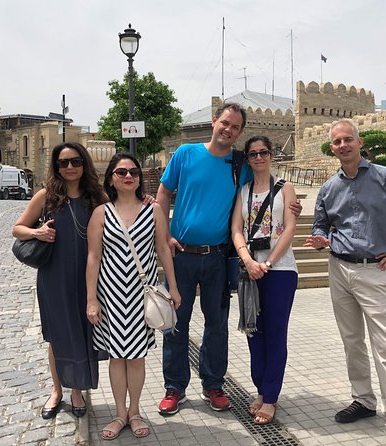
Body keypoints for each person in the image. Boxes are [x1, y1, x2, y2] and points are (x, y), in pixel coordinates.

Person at [155, 102, 302, 416]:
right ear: (214, 122)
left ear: (240, 132)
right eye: (225, 123)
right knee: (175, 324)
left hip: (219, 256)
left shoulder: (241, 163)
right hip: (182, 255)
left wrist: (293, 205)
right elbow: (163, 193)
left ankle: (213, 384)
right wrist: (165, 232)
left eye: (235, 127)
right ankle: (174, 387)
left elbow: (267, 186)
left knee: (217, 324)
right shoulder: (185, 154)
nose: (228, 130)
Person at [304, 119, 386, 446]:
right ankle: (363, 400)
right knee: (352, 341)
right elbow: (322, 224)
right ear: (332, 148)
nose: (343, 146)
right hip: (339, 269)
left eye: (348, 139)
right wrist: (321, 238)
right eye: (337, 142)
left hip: (375, 271)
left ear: (360, 142)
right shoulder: (328, 187)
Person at [86, 153, 181, 440]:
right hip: (111, 295)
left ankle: (136, 411)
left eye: (133, 172)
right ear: (111, 179)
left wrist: (173, 288)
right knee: (117, 357)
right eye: (121, 172)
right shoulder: (101, 213)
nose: (129, 176)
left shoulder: (153, 212)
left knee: (136, 357)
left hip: (142, 294)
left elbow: (164, 250)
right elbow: (93, 257)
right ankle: (119, 413)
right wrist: (91, 299)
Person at [12, 142, 105, 420]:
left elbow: (125, 206)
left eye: (75, 161)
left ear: (84, 164)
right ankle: (57, 391)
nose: (69, 167)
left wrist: (147, 201)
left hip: (90, 279)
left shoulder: (96, 197)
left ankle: (77, 391)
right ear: (56, 167)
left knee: (84, 333)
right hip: (55, 277)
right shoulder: (46, 196)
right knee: (58, 337)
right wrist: (38, 232)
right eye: (63, 163)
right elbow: (17, 229)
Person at [230, 136, 298, 425]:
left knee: (275, 332)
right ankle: (260, 389)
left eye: (264, 152)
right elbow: (236, 228)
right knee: (254, 332)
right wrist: (248, 260)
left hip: (280, 270)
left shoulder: (285, 188)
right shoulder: (243, 191)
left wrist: (268, 263)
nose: (259, 158)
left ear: (272, 155)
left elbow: (290, 228)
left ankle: (271, 396)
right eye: (253, 154)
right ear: (247, 158)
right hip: (250, 269)